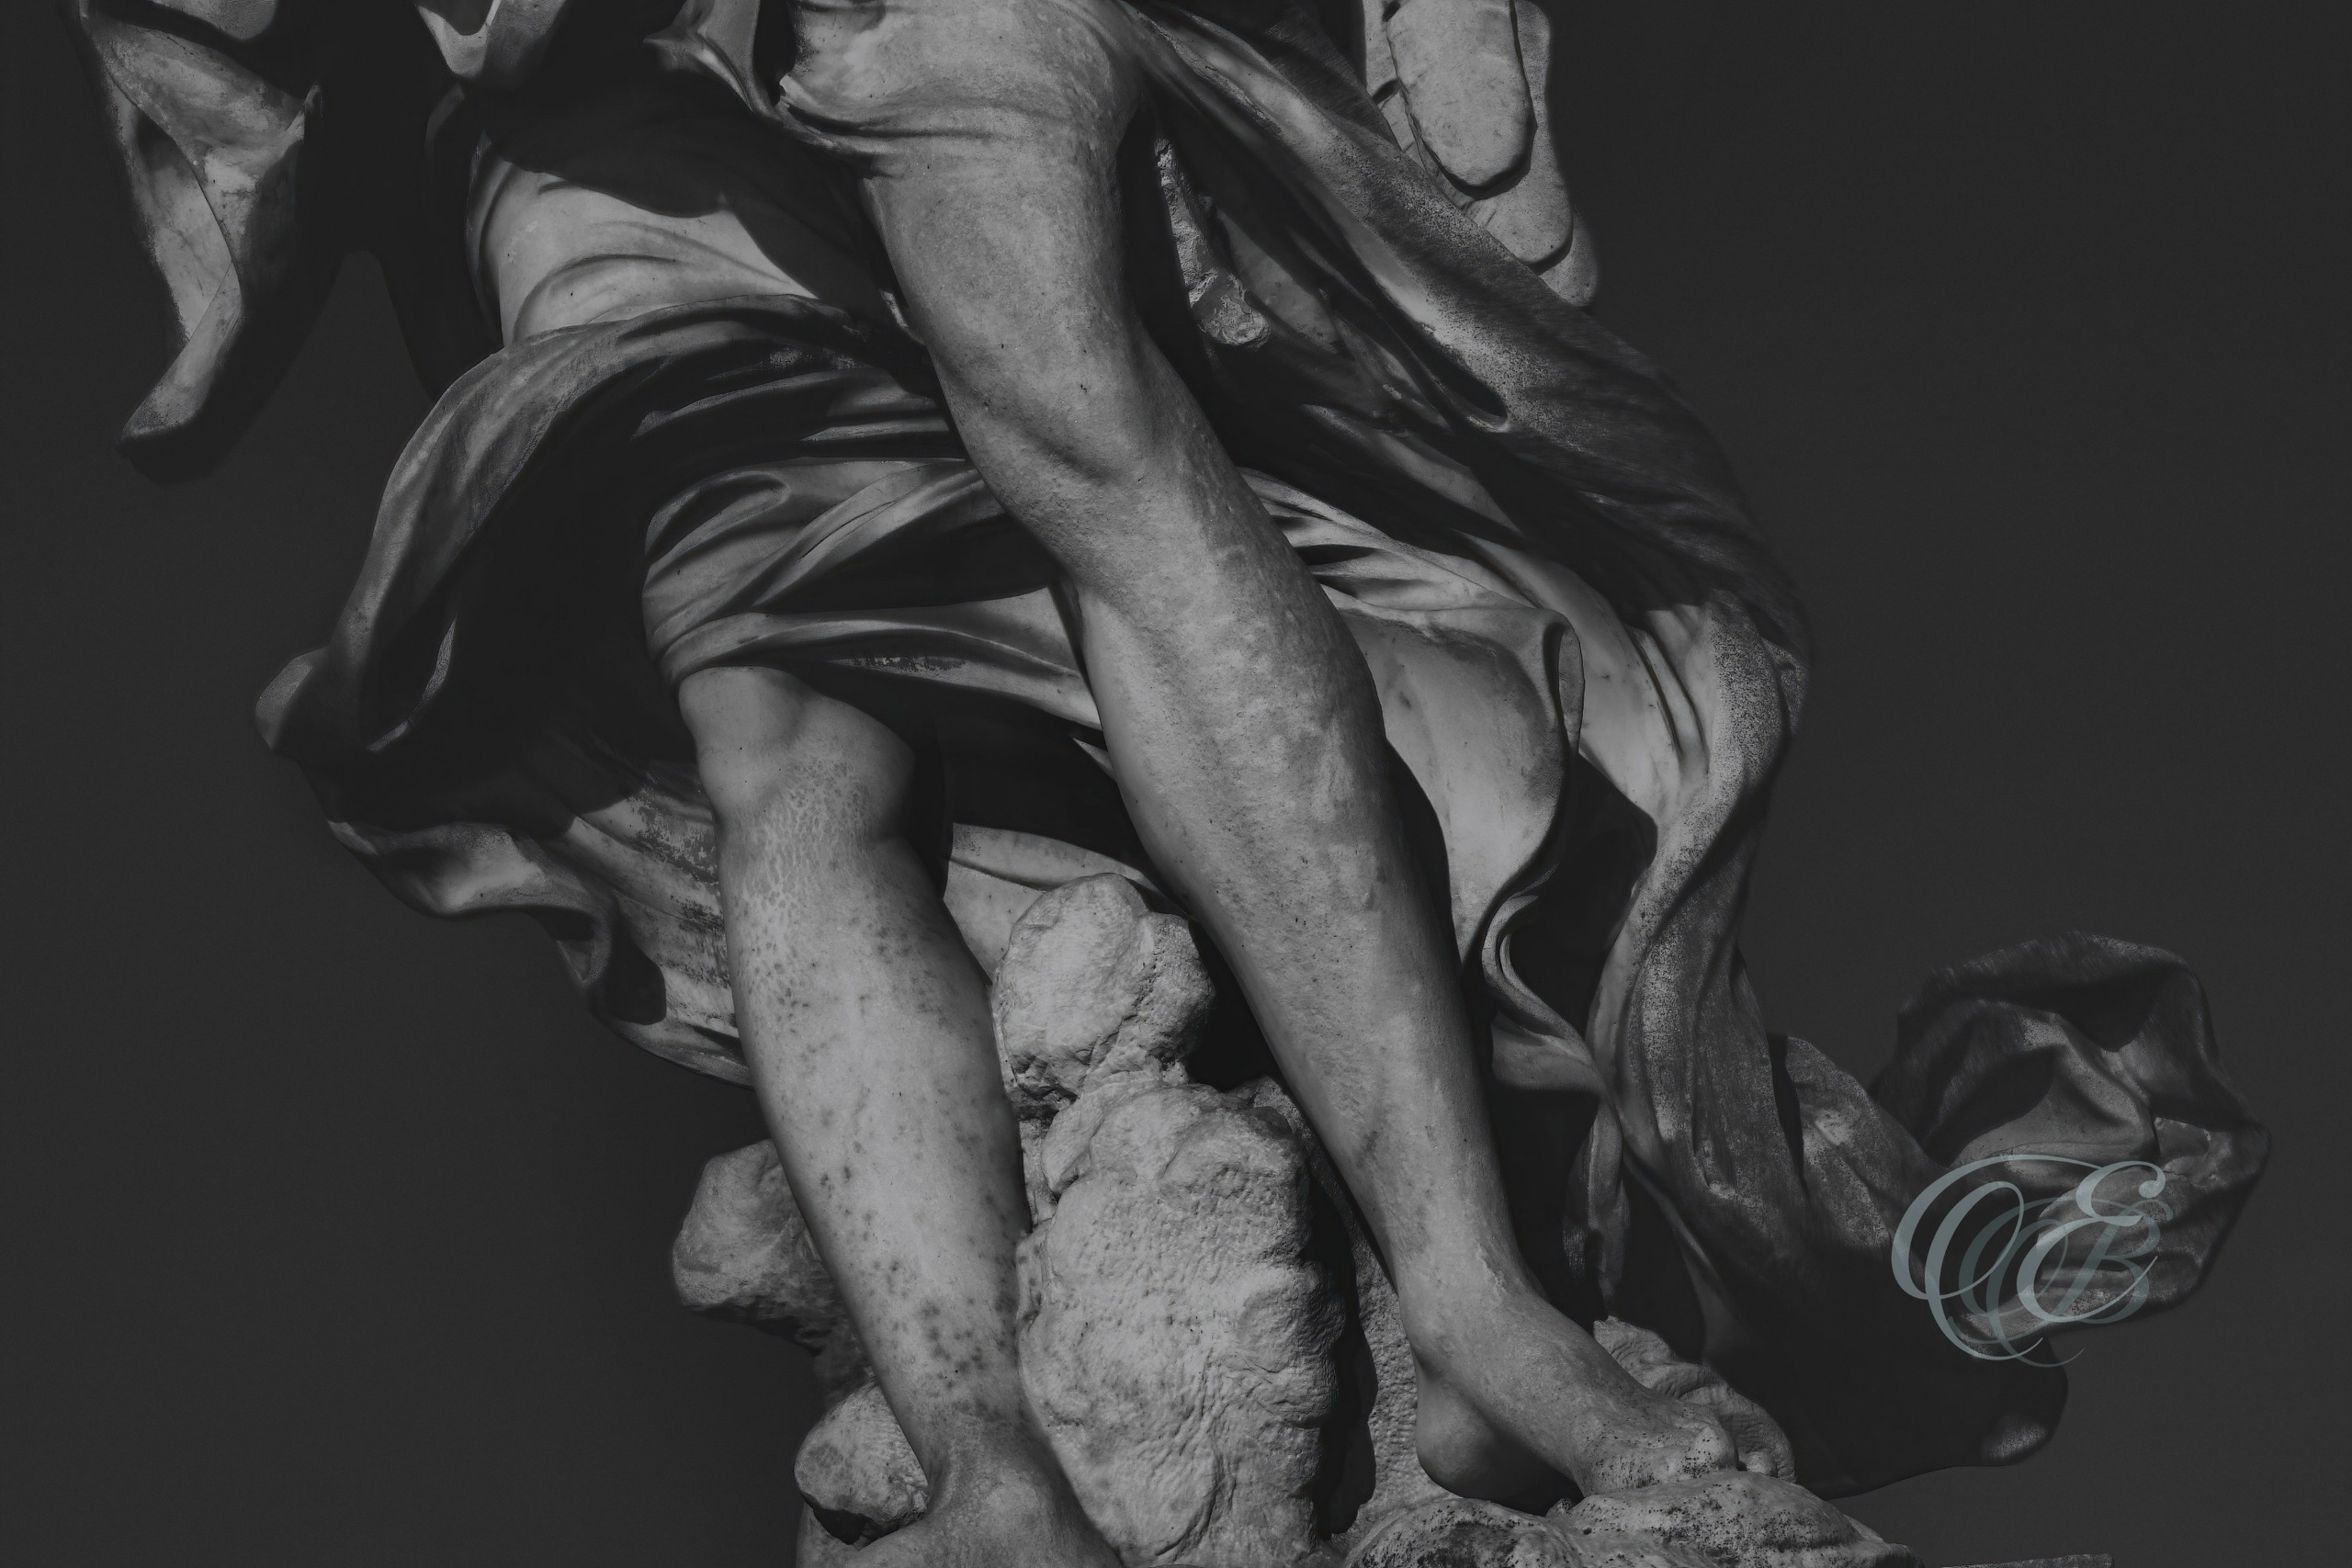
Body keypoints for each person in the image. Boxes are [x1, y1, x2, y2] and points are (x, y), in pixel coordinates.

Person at [65, 2, 2266, 1562]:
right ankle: (983, 1460)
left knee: (1097, 436)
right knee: (780, 735)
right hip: (548, 74)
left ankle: (1479, 1297)